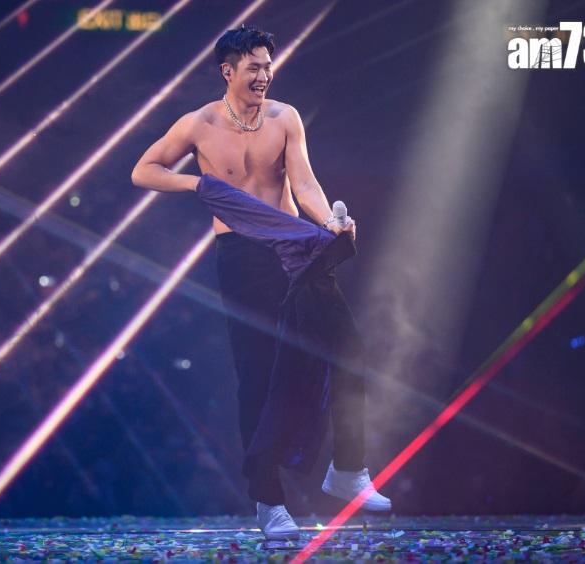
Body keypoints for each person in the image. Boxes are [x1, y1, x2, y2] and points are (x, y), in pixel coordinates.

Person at [131, 25, 390, 540]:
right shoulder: (199, 124)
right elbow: (144, 170)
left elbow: (304, 181)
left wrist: (329, 223)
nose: (264, 75)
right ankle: (269, 502)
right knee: (258, 376)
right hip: (242, 256)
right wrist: (200, 184)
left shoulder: (284, 117)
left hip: (294, 248)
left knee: (348, 351)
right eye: (254, 67)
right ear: (228, 71)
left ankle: (347, 469)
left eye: (268, 66)